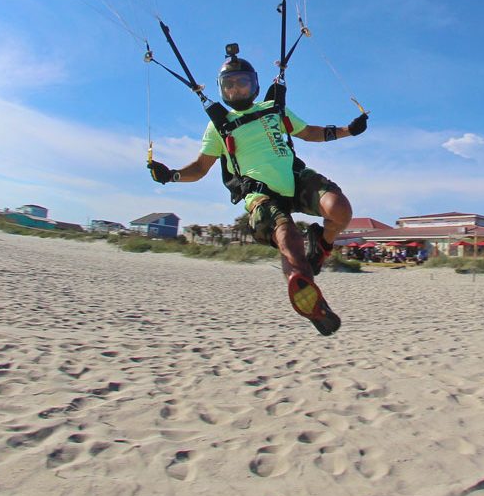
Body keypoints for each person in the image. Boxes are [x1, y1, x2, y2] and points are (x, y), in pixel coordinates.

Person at [147, 52, 367, 336]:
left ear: (255, 84)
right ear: (221, 90)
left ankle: (322, 247)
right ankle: (310, 297)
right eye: (229, 85)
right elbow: (201, 168)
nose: (236, 89)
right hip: (260, 194)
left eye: (242, 82)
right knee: (287, 237)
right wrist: (171, 175)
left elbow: (309, 132)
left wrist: (348, 130)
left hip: (295, 178)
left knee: (340, 210)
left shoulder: (275, 110)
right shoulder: (219, 126)